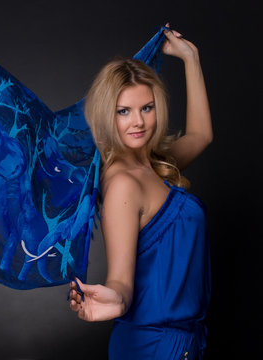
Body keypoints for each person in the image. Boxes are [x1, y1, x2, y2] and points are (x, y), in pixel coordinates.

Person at [68, 24, 212, 359]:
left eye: (146, 108)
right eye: (124, 111)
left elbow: (201, 135)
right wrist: (115, 299)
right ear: (108, 115)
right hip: (151, 346)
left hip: (184, 342)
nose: (139, 122)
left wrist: (191, 59)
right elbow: (121, 280)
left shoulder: (156, 164)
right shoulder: (122, 183)